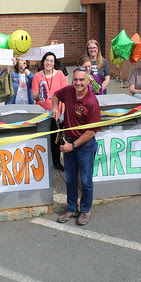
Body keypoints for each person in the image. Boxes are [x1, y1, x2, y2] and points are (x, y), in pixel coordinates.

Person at [53, 67, 101, 226]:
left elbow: (91, 132)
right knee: (71, 179)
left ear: (88, 81)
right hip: (69, 142)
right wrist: (55, 107)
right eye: (76, 80)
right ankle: (71, 208)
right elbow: (55, 95)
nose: (78, 83)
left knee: (86, 180)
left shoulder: (91, 101)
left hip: (84, 145)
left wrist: (72, 146)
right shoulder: (68, 91)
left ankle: (85, 210)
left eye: (81, 80)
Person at [32, 52, 68, 171]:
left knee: (56, 139)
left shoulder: (60, 75)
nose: (49, 63)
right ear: (43, 62)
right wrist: (41, 93)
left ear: (54, 63)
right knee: (43, 139)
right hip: (42, 114)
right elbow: (34, 95)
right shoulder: (37, 75)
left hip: (56, 113)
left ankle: (57, 162)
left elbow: (66, 94)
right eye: (47, 60)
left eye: (51, 61)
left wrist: (64, 110)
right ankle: (42, 163)